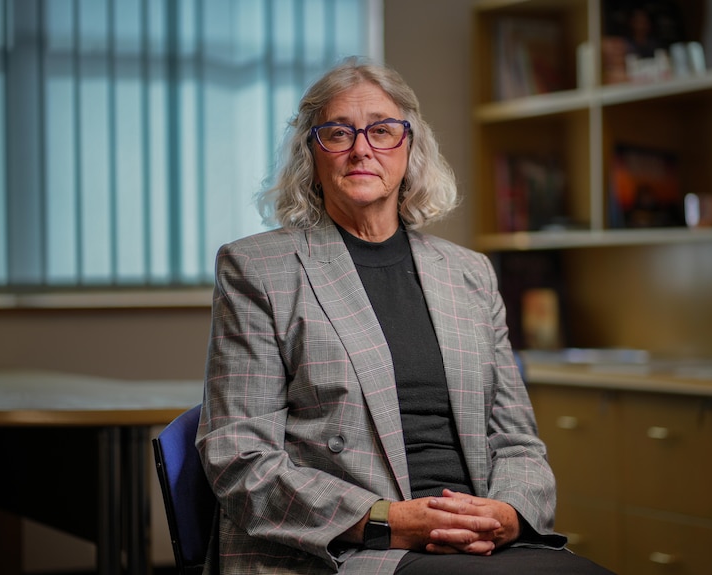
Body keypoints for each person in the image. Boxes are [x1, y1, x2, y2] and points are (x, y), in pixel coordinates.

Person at [196, 57, 615, 575]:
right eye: (337, 133)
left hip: (479, 540)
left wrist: (506, 514)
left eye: (382, 130)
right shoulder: (258, 268)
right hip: (350, 547)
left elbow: (517, 440)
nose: (361, 149)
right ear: (311, 153)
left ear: (410, 147)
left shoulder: (469, 274)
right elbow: (239, 457)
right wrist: (388, 521)